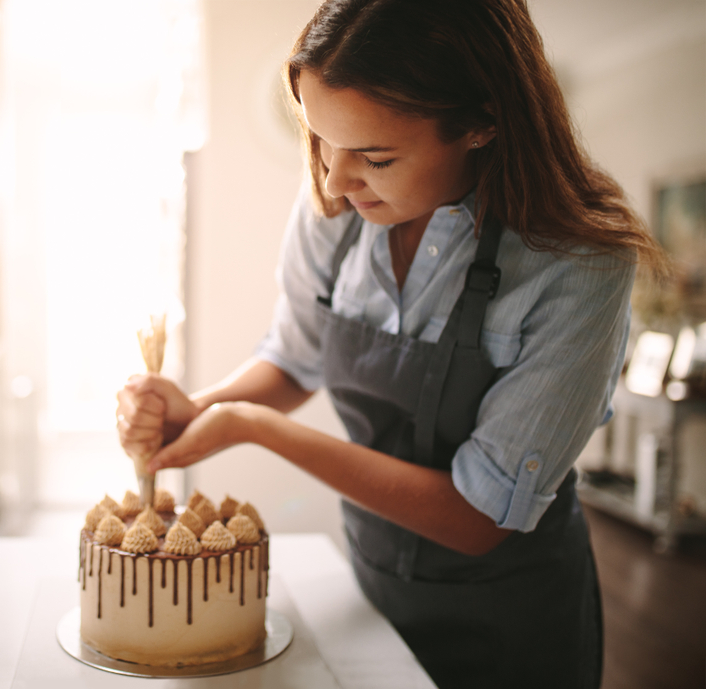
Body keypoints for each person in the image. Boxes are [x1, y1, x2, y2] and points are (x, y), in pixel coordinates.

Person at [115, 1, 667, 686]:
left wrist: (254, 428)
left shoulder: (578, 263)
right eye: (318, 140)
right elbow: (295, 356)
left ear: (482, 123)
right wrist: (194, 408)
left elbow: (478, 515)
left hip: (510, 619)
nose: (333, 181)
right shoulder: (339, 202)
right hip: (372, 582)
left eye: (374, 157)